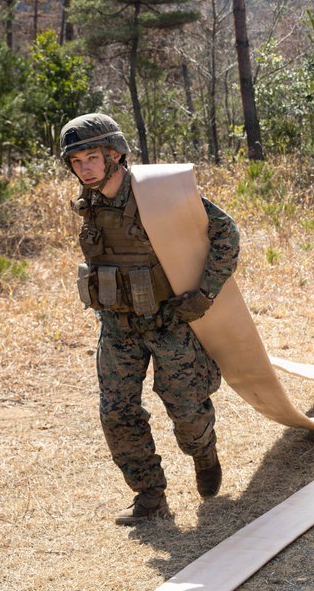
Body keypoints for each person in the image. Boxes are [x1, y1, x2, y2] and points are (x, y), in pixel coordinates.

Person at [60, 113, 240, 526]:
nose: (84, 168)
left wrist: (205, 293)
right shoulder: (88, 202)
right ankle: (149, 497)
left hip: (169, 322)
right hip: (119, 327)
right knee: (117, 413)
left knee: (187, 410)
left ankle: (204, 453)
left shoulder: (157, 192)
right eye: (76, 161)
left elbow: (226, 233)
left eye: (92, 157)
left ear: (115, 155)